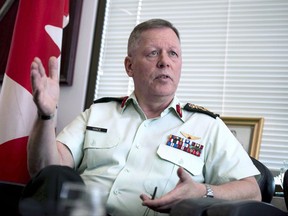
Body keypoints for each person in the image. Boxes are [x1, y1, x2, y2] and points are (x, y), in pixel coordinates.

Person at [26, 18, 261, 216]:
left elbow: (252, 191)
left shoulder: (206, 126)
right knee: (55, 177)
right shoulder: (98, 113)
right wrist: (46, 115)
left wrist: (202, 191)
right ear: (129, 66)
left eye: (173, 54)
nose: (164, 62)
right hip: (83, 212)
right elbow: (44, 171)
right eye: (153, 53)